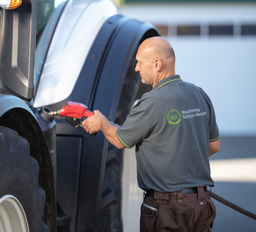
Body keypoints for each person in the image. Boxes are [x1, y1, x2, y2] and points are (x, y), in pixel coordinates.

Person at [82, 36, 220, 232]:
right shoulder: (199, 94)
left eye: (139, 62)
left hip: (168, 209)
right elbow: (214, 146)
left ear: (157, 64)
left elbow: (120, 140)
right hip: (201, 204)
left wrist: (102, 123)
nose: (136, 68)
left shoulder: (151, 102)